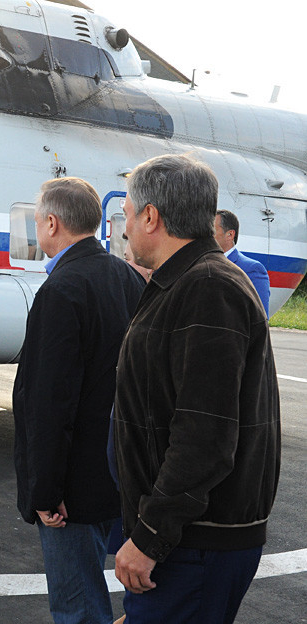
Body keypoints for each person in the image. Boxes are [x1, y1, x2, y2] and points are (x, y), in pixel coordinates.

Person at [115, 154, 281, 623]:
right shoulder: (186, 282)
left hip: (192, 545)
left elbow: (203, 437)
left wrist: (150, 536)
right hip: (185, 544)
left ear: (151, 216)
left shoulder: (207, 287)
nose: (124, 228)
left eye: (127, 214)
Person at [12, 178, 145, 624]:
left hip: (71, 489)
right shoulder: (128, 277)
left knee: (76, 606)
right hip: (117, 471)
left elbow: (50, 403)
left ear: (52, 223)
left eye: (37, 222)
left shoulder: (61, 290)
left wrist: (44, 490)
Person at [214, 208, 271, 315]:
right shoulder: (200, 264)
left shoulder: (252, 269)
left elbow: (260, 317)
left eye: (212, 231)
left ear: (230, 235)